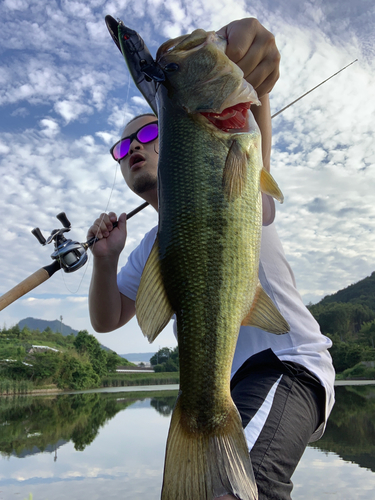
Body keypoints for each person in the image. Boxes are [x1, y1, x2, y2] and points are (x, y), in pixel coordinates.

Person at [87, 18, 335, 500]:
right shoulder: (152, 247)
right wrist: (104, 259)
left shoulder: (235, 166)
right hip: (227, 387)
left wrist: (252, 75)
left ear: (176, 132)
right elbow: (109, 318)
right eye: (123, 147)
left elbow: (251, 144)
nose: (135, 148)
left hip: (288, 364)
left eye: (150, 132)